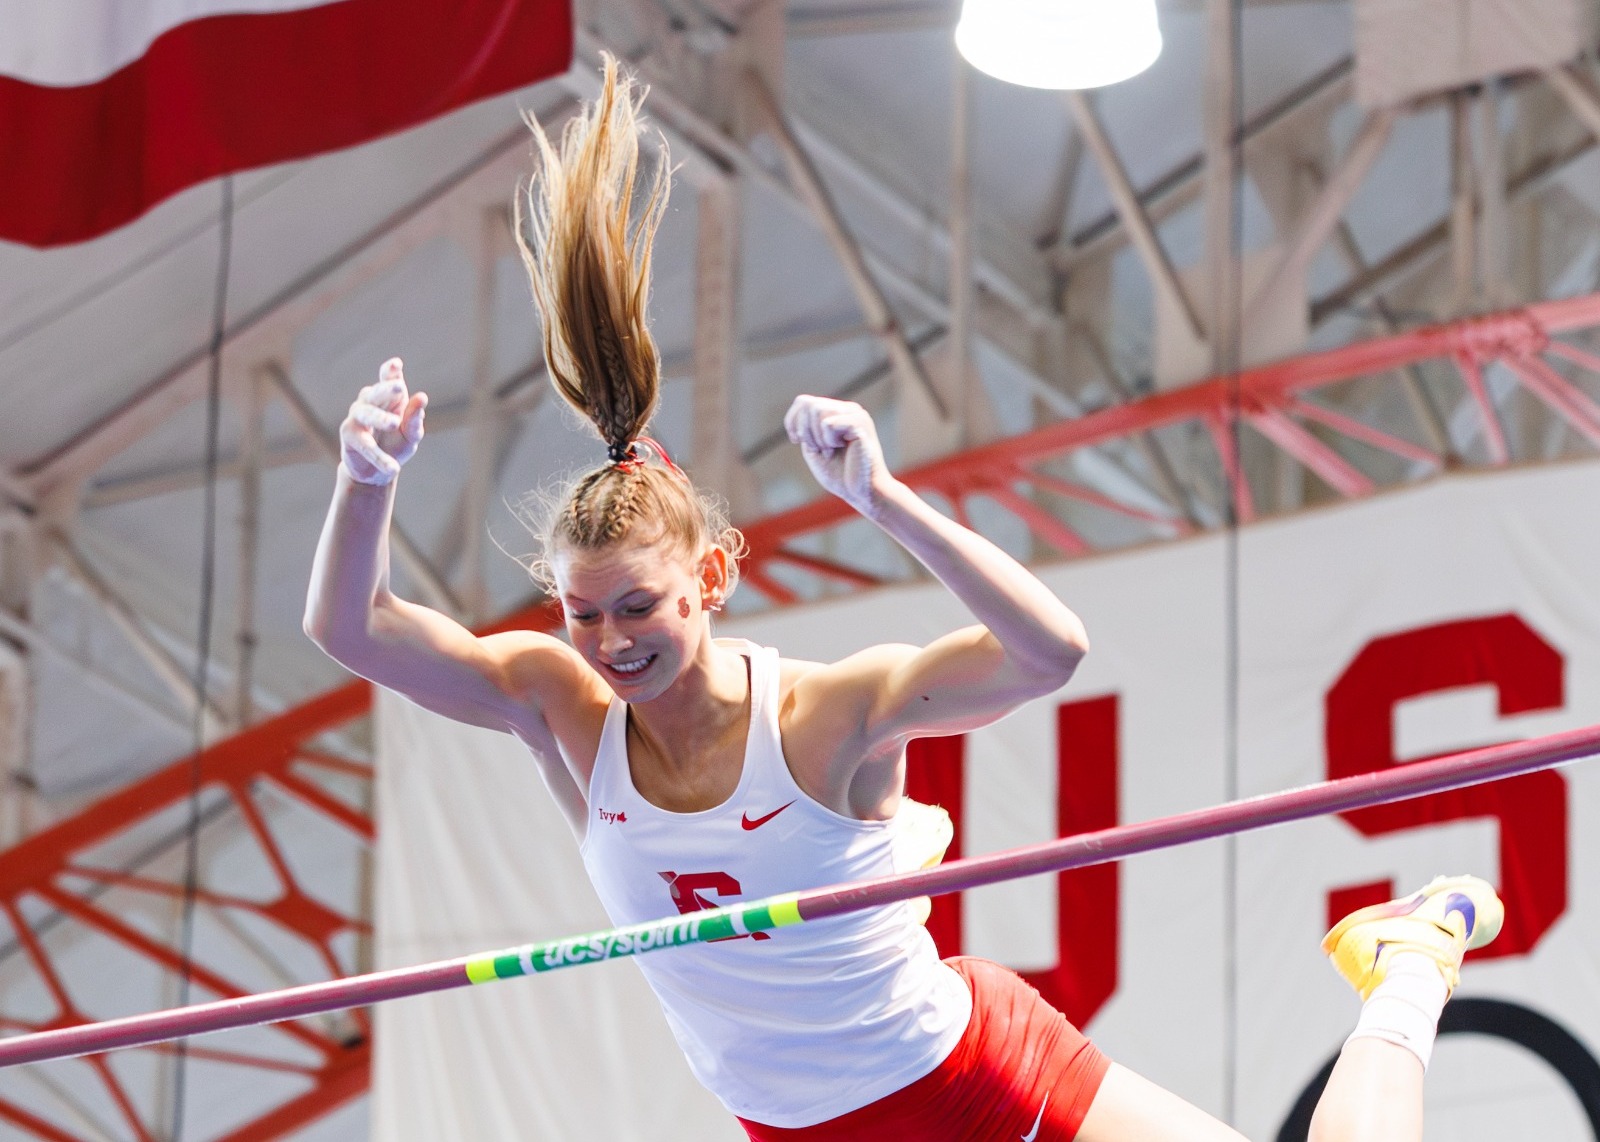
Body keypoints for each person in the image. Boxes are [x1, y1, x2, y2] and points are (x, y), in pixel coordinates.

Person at [305, 56, 1504, 1142]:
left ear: (711, 578)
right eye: (583, 613)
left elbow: (1048, 653)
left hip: (974, 1083)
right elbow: (348, 628)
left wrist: (883, 498)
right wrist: (364, 479)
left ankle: (1405, 962)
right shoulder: (554, 707)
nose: (609, 640)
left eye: (639, 608)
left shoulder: (826, 716)